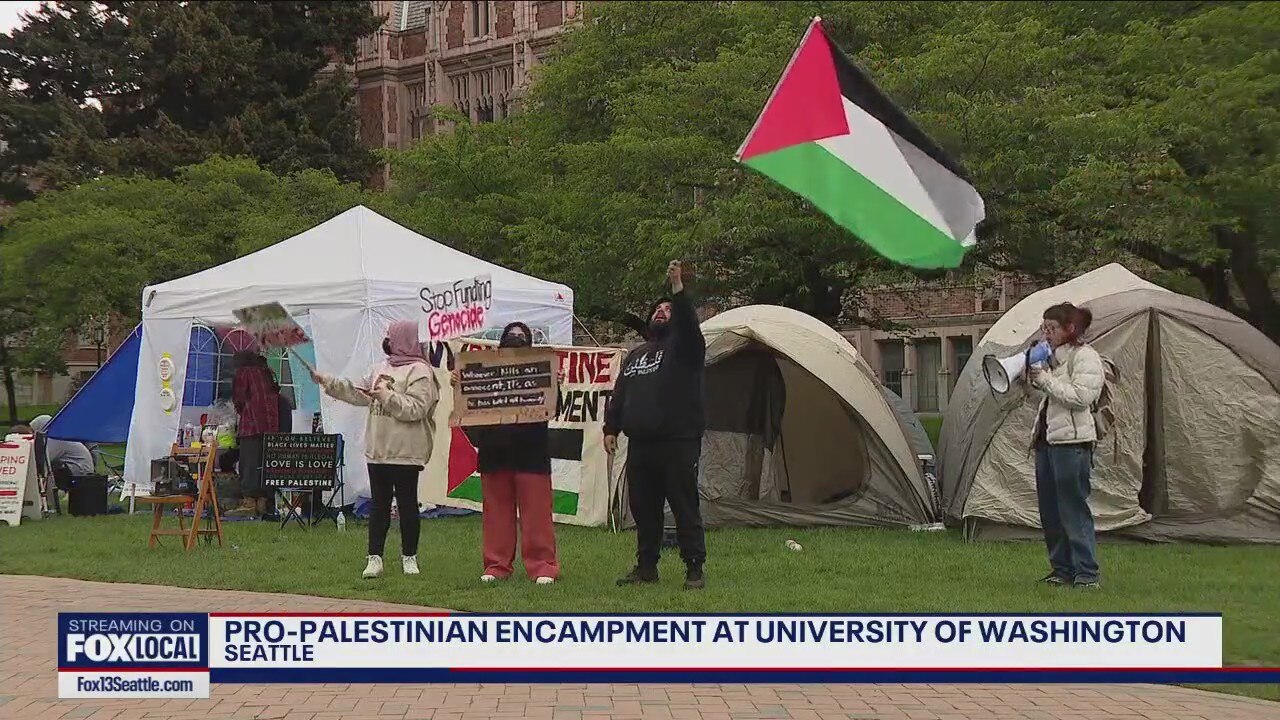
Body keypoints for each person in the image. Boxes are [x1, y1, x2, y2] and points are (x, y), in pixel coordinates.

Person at [604, 260, 708, 590]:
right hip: (641, 445)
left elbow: (689, 324)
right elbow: (621, 391)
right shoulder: (637, 355)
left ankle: (694, 567)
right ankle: (646, 567)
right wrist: (611, 427)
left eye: (668, 309)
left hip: (678, 442)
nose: (661, 312)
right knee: (644, 510)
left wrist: (678, 289)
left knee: (683, 506)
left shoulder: (686, 349)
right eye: (657, 310)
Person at [311, 321, 440, 579]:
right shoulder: (380, 368)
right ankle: (374, 558)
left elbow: (416, 409)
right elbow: (358, 393)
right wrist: (329, 382)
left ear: (403, 339)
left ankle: (409, 557)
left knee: (407, 504)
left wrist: (386, 396)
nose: (386, 340)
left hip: (406, 451)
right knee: (378, 504)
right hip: (378, 448)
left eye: (390, 336)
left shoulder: (421, 372)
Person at [458, 322, 561, 586]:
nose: (516, 339)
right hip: (494, 453)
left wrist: (555, 385)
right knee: (496, 515)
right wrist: (462, 385)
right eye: (511, 335)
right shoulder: (485, 371)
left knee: (536, 515)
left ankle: (543, 566)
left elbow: (554, 409)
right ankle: (496, 565)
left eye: (521, 336)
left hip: (532, 453)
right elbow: (470, 413)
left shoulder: (540, 370)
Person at [1028, 302, 1105, 590]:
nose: (1046, 334)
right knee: (1050, 512)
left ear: (1070, 329)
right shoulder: (1053, 360)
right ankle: (1062, 570)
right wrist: (1033, 375)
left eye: (1052, 328)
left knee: (1073, 510)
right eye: (1044, 328)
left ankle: (1087, 574)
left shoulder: (1085, 357)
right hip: (1048, 442)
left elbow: (1081, 397)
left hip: (1072, 445)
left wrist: (1045, 379)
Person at [230, 351, 280, 519]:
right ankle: (264, 502)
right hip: (271, 425)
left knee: (249, 464)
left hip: (251, 424)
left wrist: (240, 411)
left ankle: (249, 502)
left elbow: (239, 399)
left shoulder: (244, 373)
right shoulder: (267, 372)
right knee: (265, 464)